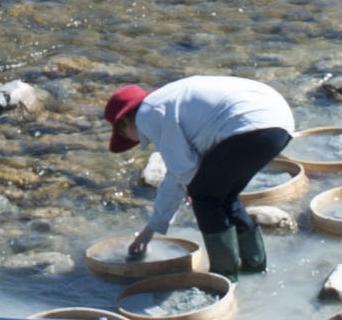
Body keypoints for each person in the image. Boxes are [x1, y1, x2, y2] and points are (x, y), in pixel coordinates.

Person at [105, 72, 296, 278]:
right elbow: (178, 174)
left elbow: (183, 172)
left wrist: (192, 187)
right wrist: (151, 229)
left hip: (250, 126)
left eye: (121, 133)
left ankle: (224, 277)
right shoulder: (167, 101)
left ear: (125, 122)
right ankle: (256, 269)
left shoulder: (148, 115)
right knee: (225, 197)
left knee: (205, 198)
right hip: (278, 121)